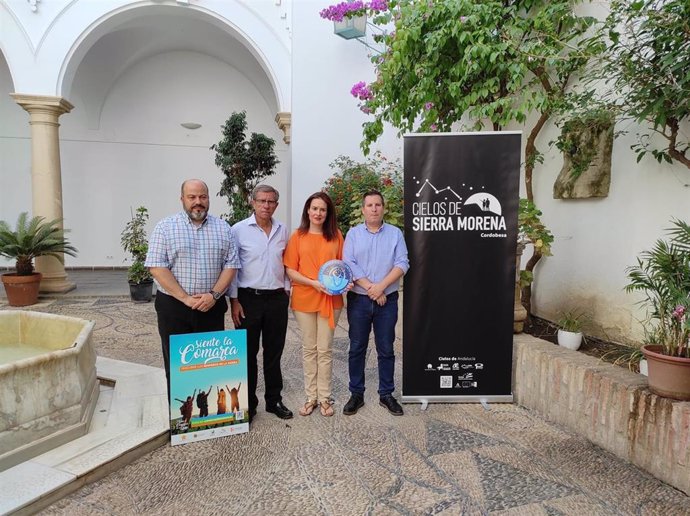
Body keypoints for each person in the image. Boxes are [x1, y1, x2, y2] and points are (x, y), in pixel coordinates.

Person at [145, 179, 240, 397]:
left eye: (203, 197)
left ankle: (206, 419)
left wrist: (214, 295)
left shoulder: (223, 228)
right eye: (192, 197)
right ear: (182, 199)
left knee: (210, 362)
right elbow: (157, 267)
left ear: (208, 198)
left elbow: (231, 265)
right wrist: (186, 298)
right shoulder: (165, 227)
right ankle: (180, 417)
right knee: (177, 362)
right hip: (174, 307)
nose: (198, 202)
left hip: (211, 306)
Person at [342, 190, 409, 416]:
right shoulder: (353, 234)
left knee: (386, 348)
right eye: (369, 205)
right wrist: (372, 288)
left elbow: (402, 263)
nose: (374, 208)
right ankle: (356, 393)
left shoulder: (395, 234)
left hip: (387, 300)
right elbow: (348, 263)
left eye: (378, 204)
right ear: (363, 209)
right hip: (359, 300)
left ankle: (386, 394)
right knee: (357, 347)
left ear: (383, 208)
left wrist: (380, 287)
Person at [229, 185, 292, 422]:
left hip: (276, 299)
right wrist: (234, 300)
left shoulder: (283, 230)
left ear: (276, 205)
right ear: (252, 202)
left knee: (274, 353)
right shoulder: (238, 230)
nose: (266, 205)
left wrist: (286, 291)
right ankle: (249, 404)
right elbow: (232, 267)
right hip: (248, 299)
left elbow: (286, 263)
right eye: (262, 201)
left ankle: (274, 400)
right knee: (247, 352)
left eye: (271, 202)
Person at [284, 192, 347, 418]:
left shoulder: (336, 236)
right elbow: (290, 269)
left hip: (331, 299)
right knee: (309, 349)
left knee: (325, 350)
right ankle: (311, 397)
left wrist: (344, 283)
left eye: (323, 209)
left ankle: (325, 398)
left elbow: (343, 267)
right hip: (304, 298)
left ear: (327, 213)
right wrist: (313, 283)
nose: (318, 213)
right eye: (314, 208)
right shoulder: (297, 236)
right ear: (307, 211)